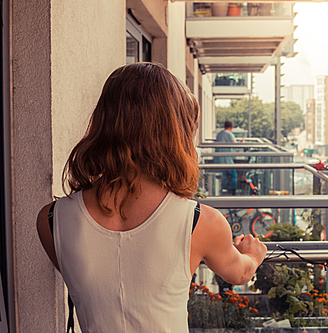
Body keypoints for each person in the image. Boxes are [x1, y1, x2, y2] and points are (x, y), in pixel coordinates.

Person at [36, 62, 267, 332]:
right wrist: (253, 255)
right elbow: (239, 273)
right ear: (175, 131)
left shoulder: (51, 219)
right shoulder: (200, 222)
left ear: (103, 120)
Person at [215, 120, 238, 195]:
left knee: (225, 176)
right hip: (227, 159)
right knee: (234, 175)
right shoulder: (229, 133)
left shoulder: (219, 134)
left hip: (219, 159)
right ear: (231, 127)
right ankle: (233, 192)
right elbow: (235, 144)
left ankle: (220, 191)